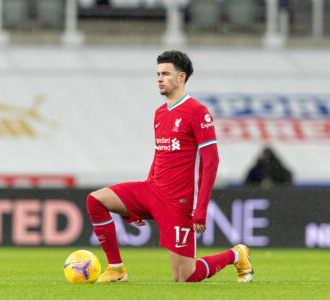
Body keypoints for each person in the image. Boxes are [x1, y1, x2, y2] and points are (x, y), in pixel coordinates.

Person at [87, 50, 253, 283]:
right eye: (157, 74)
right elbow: (159, 154)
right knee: (96, 200)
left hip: (177, 201)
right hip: (151, 190)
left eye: (165, 73)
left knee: (184, 276)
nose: (159, 78)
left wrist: (201, 209)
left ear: (182, 77)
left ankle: (237, 254)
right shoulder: (160, 113)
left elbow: (211, 162)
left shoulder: (197, 112)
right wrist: (136, 205)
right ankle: (116, 269)